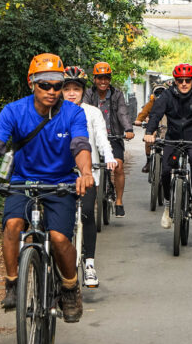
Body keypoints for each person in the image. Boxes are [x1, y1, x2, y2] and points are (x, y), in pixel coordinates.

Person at [0, 53, 94, 322]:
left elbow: (80, 145)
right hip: (22, 181)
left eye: (58, 85)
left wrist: (85, 172)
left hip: (60, 183)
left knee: (60, 238)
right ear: (32, 83)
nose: (52, 91)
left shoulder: (73, 113)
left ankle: (70, 287)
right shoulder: (14, 111)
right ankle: (13, 282)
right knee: (13, 226)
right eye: (45, 85)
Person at [143, 63, 192, 228]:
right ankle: (167, 207)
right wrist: (150, 132)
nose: (184, 83)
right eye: (180, 80)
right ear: (175, 81)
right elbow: (156, 113)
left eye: (187, 80)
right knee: (165, 170)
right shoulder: (168, 95)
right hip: (173, 138)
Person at [62, 66, 116, 288]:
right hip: (61, 175)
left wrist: (110, 157)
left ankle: (90, 264)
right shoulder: (53, 111)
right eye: (67, 89)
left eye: (76, 88)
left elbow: (102, 139)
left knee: (86, 213)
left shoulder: (92, 112)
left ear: (84, 91)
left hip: (88, 173)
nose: (72, 93)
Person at [84, 62, 134, 216]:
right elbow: (82, 111)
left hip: (113, 136)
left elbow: (122, 113)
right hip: (92, 137)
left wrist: (128, 129)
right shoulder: (88, 94)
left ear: (110, 79)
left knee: (118, 166)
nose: (103, 81)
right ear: (94, 79)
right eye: (100, 78)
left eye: (106, 78)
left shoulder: (117, 94)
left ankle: (119, 201)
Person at [137, 83, 168, 173]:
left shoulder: (171, 102)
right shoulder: (151, 103)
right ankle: (149, 161)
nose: (160, 96)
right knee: (148, 138)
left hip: (167, 127)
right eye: (157, 93)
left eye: (162, 93)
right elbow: (144, 112)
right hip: (154, 126)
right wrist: (139, 120)